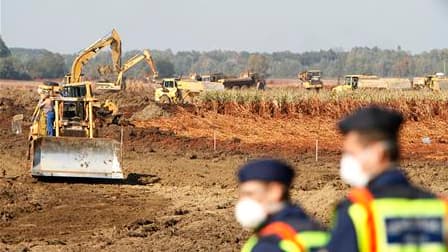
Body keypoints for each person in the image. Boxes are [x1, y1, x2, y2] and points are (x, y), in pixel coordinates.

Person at [327, 106, 448, 252]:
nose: (346, 160)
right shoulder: (441, 208)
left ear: (378, 153)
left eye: (351, 153)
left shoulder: (359, 211)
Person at [236, 159, 328, 252]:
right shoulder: (318, 229)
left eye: (249, 194)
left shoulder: (272, 242)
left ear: (275, 192)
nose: (243, 201)